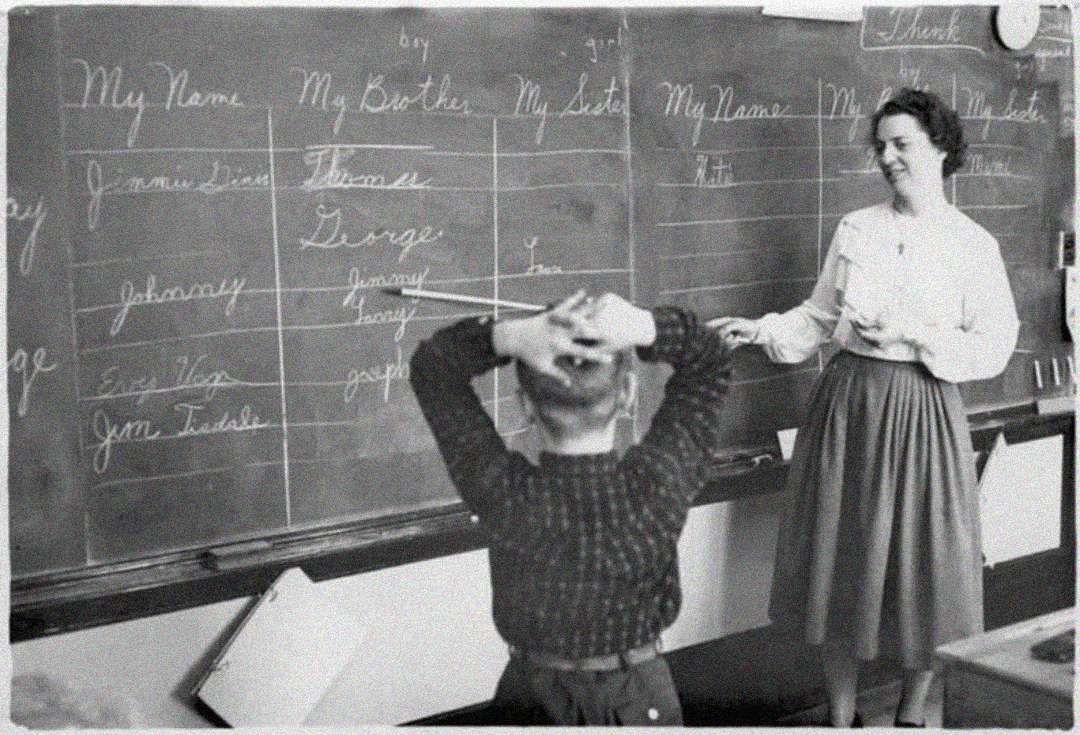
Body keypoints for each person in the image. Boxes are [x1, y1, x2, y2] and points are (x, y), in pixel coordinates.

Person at [711, 88, 1019, 728]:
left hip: (923, 410)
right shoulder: (858, 227)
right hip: (849, 405)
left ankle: (910, 713)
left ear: (940, 149)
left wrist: (913, 336)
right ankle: (841, 717)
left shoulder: (972, 244)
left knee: (926, 563)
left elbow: (994, 344)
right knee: (842, 559)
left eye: (902, 144)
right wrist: (760, 329)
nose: (887, 157)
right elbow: (819, 316)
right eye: (880, 145)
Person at [410, 291, 730, 725]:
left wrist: (508, 337)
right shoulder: (660, 484)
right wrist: (645, 327)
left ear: (524, 405)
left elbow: (433, 368)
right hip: (638, 697)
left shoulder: (504, 493)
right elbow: (710, 360)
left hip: (530, 698)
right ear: (629, 395)